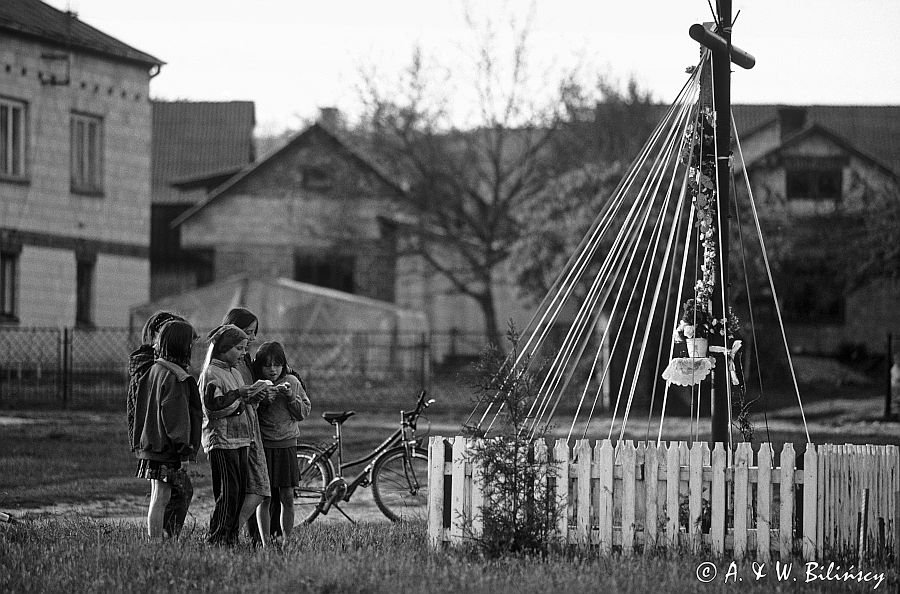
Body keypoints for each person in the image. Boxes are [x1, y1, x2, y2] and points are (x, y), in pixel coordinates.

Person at [199, 324, 270, 545]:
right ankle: (217, 538)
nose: (242, 353)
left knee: (239, 493)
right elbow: (213, 407)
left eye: (243, 348)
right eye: (238, 348)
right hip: (221, 441)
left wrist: (255, 396)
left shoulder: (235, 373)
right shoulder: (211, 373)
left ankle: (230, 537)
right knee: (228, 494)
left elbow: (242, 402)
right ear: (224, 348)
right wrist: (239, 395)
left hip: (241, 440)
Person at [132, 319, 202, 539]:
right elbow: (175, 417)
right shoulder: (177, 377)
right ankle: (157, 543)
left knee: (156, 496)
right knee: (163, 497)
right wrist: (184, 449)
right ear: (183, 346)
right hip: (168, 447)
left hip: (152, 444)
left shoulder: (154, 369)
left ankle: (156, 541)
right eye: (190, 344)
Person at [221, 307, 274, 547]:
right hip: (237, 432)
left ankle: (234, 535)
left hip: (250, 429)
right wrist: (253, 395)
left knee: (256, 488)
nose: (251, 338)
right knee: (255, 488)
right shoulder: (227, 364)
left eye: (254, 333)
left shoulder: (246, 360)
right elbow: (225, 398)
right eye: (247, 332)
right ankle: (227, 535)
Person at [253, 341, 311, 540]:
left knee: (287, 496)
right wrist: (263, 401)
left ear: (283, 364)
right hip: (264, 445)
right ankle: (264, 542)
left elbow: (303, 412)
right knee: (265, 498)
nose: (272, 370)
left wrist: (290, 397)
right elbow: (251, 413)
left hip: (286, 444)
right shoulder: (258, 384)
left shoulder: (292, 382)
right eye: (267, 365)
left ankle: (287, 539)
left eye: (277, 364)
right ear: (259, 366)